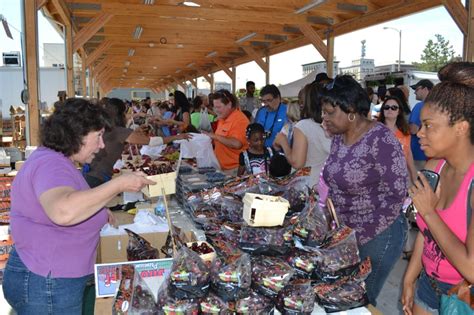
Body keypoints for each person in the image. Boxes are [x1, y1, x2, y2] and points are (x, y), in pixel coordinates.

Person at [2, 98, 154, 314]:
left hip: (48, 280)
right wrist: (118, 183)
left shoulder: (54, 160)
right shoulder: (51, 164)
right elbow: (63, 211)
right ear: (76, 135)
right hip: (47, 283)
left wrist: (99, 211)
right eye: (98, 136)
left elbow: (68, 201)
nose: (102, 145)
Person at [321, 75, 408, 306]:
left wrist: (360, 234)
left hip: (379, 234)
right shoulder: (339, 138)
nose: (324, 118)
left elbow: (398, 193)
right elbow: (334, 181)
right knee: (343, 296)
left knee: (361, 300)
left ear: (350, 110)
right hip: (346, 232)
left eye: (330, 112)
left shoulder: (381, 139)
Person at [401, 62, 474, 315]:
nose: (420, 133)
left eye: (429, 125)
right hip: (428, 286)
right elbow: (426, 231)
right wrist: (410, 278)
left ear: (461, 128)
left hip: (463, 295)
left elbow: (471, 267)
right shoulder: (435, 167)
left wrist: (430, 212)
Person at [84, 98, 190, 188]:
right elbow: (151, 142)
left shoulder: (104, 128)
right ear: (119, 114)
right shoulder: (119, 131)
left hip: (89, 173)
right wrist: (177, 137)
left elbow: (115, 143)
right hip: (97, 176)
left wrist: (135, 132)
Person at [274, 82, 331, 188]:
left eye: (301, 100)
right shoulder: (331, 124)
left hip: (309, 186)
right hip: (326, 183)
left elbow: (297, 163)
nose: (300, 103)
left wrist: (283, 142)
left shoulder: (304, 126)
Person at [203, 89, 249, 175]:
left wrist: (214, 136)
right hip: (221, 168)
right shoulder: (223, 117)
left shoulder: (239, 119)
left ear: (229, 104)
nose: (216, 110)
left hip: (234, 170)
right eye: (214, 107)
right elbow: (221, 139)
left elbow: (237, 144)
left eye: (219, 107)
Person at [378, 96, 418, 184]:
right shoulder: (375, 130)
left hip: (400, 177)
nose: (390, 110)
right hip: (380, 179)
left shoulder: (405, 131)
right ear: (383, 110)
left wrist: (414, 175)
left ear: (399, 111)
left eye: (394, 108)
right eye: (386, 107)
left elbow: (408, 153)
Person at [409, 79, 434, 170]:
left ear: (426, 89)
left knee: (417, 182)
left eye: (417, 89)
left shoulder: (419, 106)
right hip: (434, 154)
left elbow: (413, 129)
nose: (414, 92)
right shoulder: (439, 106)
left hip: (418, 153)